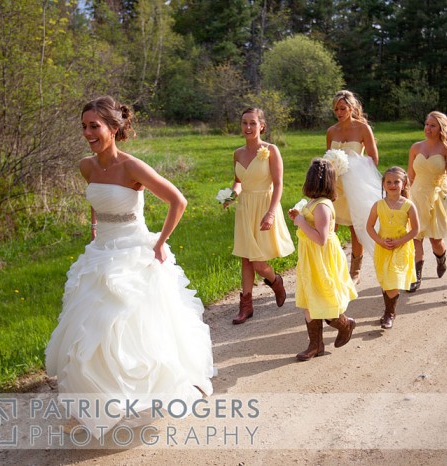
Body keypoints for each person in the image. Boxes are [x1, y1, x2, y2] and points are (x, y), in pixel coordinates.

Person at [45, 96, 215, 438]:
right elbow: (97, 197)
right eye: (84, 126)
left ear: (114, 128)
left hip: (132, 254)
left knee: (126, 331)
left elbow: (177, 200)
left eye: (95, 126)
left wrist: (160, 242)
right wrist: (95, 225)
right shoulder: (86, 166)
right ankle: (92, 406)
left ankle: (138, 397)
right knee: (86, 334)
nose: (88, 132)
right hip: (99, 253)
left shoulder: (131, 167)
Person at [224, 108, 294, 324]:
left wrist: (271, 213)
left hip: (264, 205)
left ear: (261, 126)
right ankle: (246, 306)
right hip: (245, 207)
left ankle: (275, 281)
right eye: (244, 123)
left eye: (252, 123)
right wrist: (231, 195)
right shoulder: (238, 153)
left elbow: (279, 183)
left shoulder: (270, 150)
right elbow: (238, 180)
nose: (248, 127)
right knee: (246, 257)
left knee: (258, 262)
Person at [288, 159, 358, 361]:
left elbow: (320, 238)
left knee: (324, 300)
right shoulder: (313, 203)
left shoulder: (323, 207)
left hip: (321, 259)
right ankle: (315, 345)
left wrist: (301, 222)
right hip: (310, 258)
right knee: (310, 300)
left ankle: (345, 324)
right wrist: (298, 218)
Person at [326, 90, 382, 284]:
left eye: (342, 108)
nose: (339, 112)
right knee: (329, 226)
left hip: (355, 184)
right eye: (336, 109)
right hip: (335, 185)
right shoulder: (331, 131)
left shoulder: (363, 128)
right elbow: (327, 157)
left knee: (355, 226)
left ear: (351, 108)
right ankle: (330, 266)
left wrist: (355, 166)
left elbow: (374, 158)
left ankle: (355, 271)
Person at [407, 111, 447, 292]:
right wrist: (404, 198)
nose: (427, 129)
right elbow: (410, 176)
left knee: (435, 240)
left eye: (432, 126)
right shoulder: (416, 147)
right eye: (426, 124)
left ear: (441, 128)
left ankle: (441, 258)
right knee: (415, 237)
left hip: (437, 196)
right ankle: (416, 277)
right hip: (416, 195)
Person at [366, 167, 419, 329]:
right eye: (388, 182)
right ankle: (389, 311)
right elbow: (369, 227)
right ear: (383, 184)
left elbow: (416, 229)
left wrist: (400, 241)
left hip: (401, 247)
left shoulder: (408, 206)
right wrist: (380, 241)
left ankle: (389, 314)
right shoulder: (378, 205)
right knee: (385, 279)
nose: (392, 184)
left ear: (403, 184)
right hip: (383, 248)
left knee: (394, 278)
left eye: (396, 181)